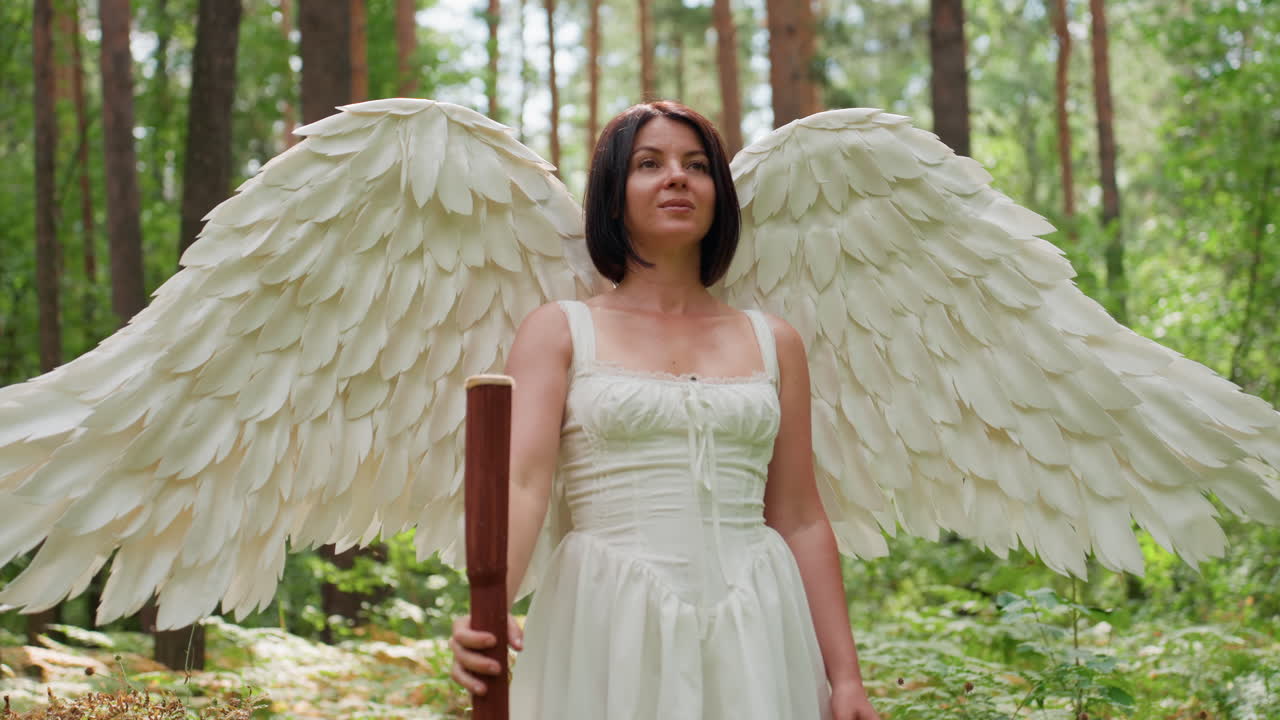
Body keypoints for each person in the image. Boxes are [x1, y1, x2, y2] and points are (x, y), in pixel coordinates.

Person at [449, 101, 881, 720]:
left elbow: (800, 516)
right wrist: (484, 608)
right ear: (613, 194)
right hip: (609, 615)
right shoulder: (561, 331)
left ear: (718, 195)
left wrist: (846, 679)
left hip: (756, 618)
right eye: (649, 163)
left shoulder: (774, 340)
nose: (677, 177)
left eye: (697, 165)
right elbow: (521, 486)